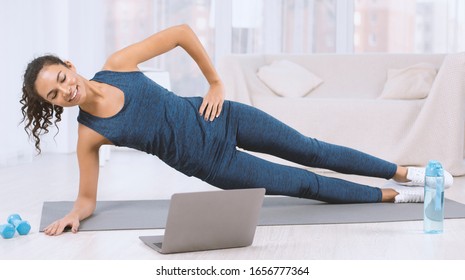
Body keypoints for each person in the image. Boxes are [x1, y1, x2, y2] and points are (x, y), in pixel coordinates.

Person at [20, 24, 452, 236]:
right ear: (54, 107)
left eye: (60, 79)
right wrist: (75, 215)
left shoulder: (117, 65)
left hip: (222, 116)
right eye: (54, 96)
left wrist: (215, 82)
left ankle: (407, 172)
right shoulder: (89, 133)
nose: (65, 91)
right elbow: (87, 197)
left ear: (69, 66)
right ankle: (401, 196)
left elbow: (180, 34)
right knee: (304, 184)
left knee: (311, 149)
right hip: (215, 164)